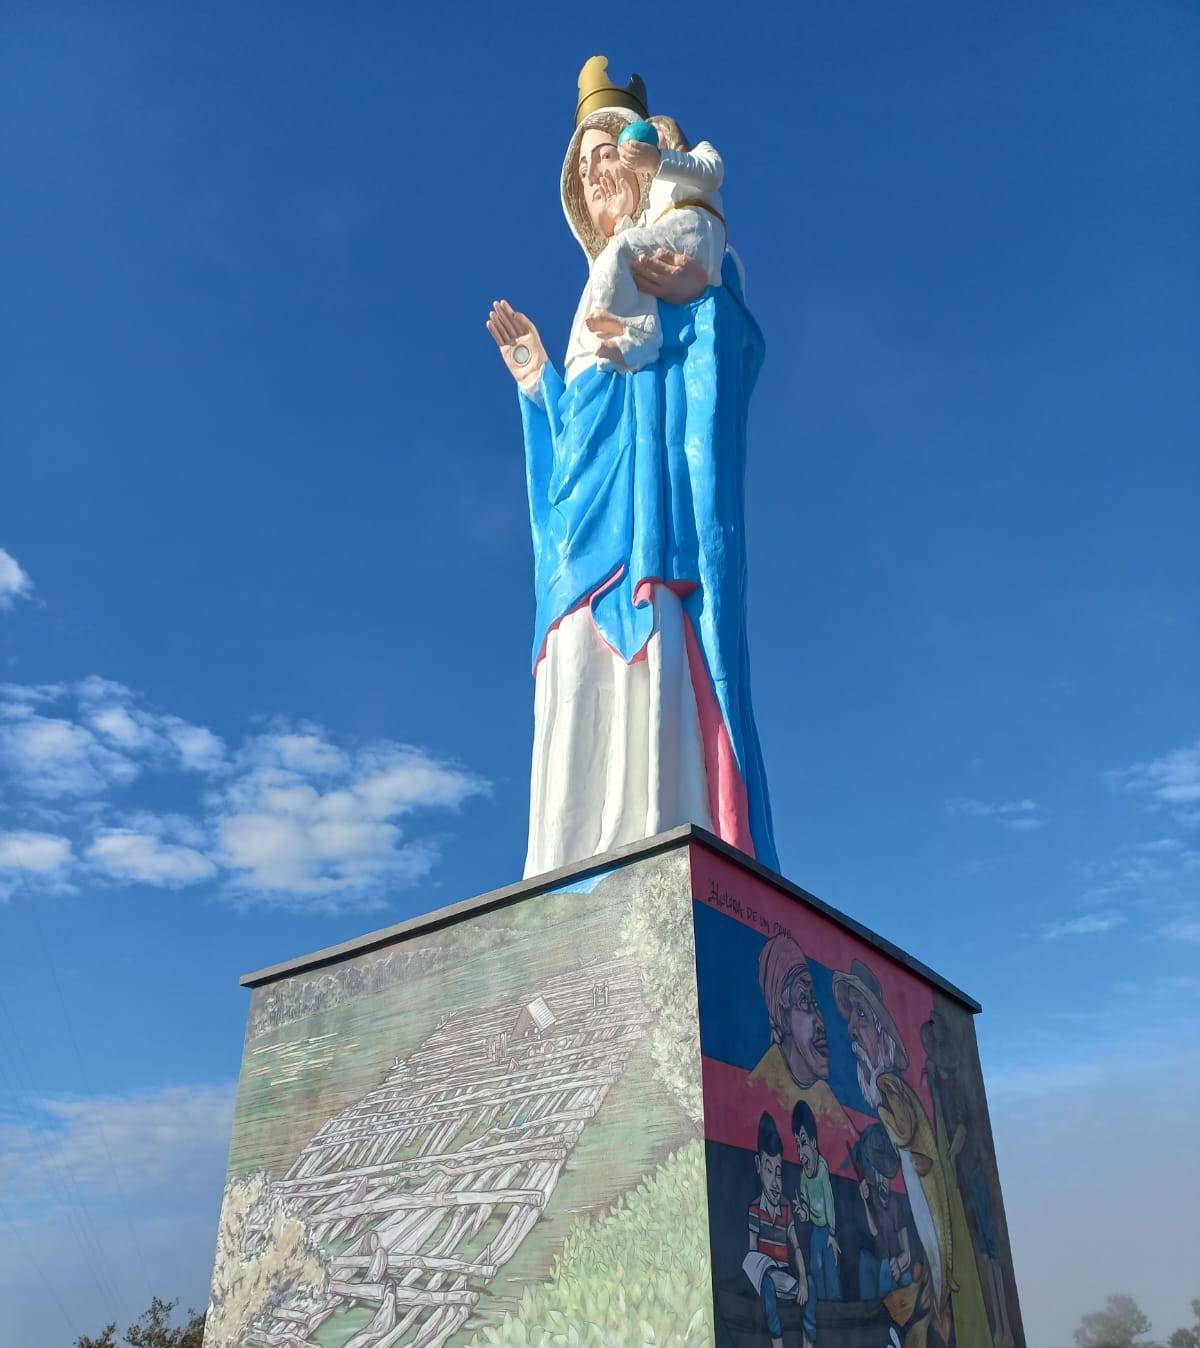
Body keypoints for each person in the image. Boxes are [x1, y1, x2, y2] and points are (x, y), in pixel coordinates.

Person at [486, 57, 777, 878]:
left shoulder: (673, 241)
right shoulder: (591, 288)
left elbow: (724, 341)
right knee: (574, 671)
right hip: (581, 537)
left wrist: (691, 304)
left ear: (642, 155)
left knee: (647, 671)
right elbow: (573, 441)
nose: (597, 171)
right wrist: (539, 382)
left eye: (605, 152)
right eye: (583, 164)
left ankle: (653, 846)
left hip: (649, 531)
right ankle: (570, 873)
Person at [581, 114, 727, 372]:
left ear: (670, 134)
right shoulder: (654, 193)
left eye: (653, 133)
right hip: (670, 236)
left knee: (624, 248)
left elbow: (712, 173)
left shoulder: (696, 154)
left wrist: (659, 160)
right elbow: (638, 232)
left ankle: (641, 333)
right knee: (628, 258)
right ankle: (630, 335)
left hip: (695, 228)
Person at [750, 935, 860, 1162]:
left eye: (815, 1004)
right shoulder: (758, 1088)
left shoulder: (825, 1099)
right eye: (803, 1002)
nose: (820, 1023)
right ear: (783, 1018)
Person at [744, 1111, 814, 1348]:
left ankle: (808, 1344)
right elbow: (752, 1254)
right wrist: (762, 1272)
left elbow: (795, 1247)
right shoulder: (754, 1210)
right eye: (769, 1170)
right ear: (758, 1166)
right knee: (767, 1284)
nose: (775, 1182)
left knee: (811, 1285)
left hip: (786, 1278)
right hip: (767, 1279)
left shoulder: (785, 1208)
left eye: (779, 1172)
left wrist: (802, 1280)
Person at [853, 1124, 913, 1300]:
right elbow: (874, 1231)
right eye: (876, 1172)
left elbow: (907, 1253)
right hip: (880, 1266)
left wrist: (900, 1264)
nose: (880, 1180)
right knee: (880, 1268)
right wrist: (865, 1201)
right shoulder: (872, 1198)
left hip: (894, 1271)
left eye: (883, 1173)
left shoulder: (896, 1206)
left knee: (896, 1273)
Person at [791, 1100, 842, 1302]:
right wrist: (803, 1212)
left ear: (813, 1142)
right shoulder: (804, 1176)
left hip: (827, 1230)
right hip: (816, 1231)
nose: (800, 1151)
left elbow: (828, 1202)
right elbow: (805, 1204)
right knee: (815, 1266)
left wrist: (832, 1233)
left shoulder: (822, 1169)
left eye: (803, 1143)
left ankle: (834, 1304)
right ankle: (820, 1304)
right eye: (797, 1145)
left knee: (830, 1266)